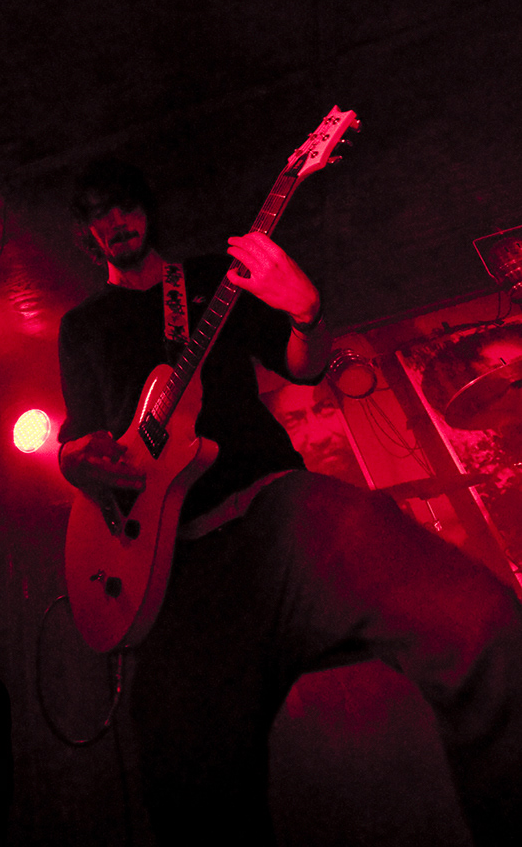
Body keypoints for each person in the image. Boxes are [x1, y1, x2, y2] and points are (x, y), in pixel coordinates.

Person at [57, 158, 522, 846]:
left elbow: (305, 364)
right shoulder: (82, 326)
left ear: (147, 210)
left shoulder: (211, 279)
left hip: (275, 508)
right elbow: (75, 437)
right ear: (86, 233)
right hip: (168, 563)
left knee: (480, 625)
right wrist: (77, 461)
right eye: (98, 213)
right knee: (183, 785)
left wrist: (306, 312)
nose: (114, 221)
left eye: (124, 204)